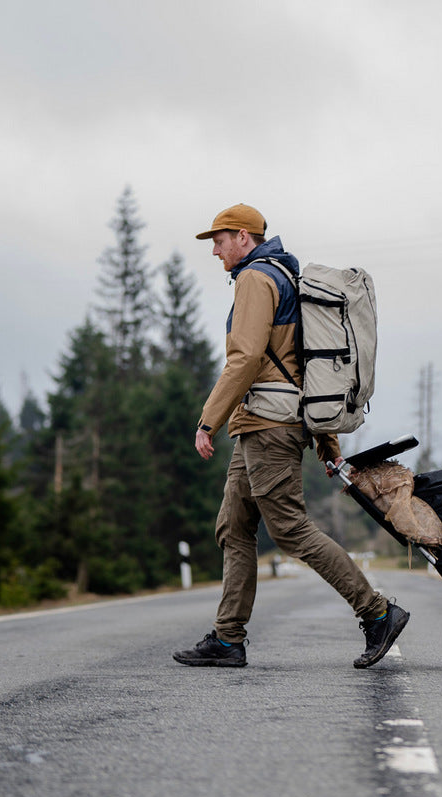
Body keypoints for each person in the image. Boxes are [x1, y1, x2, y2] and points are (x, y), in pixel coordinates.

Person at [172, 203, 409, 670]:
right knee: (233, 527)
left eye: (219, 240)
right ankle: (227, 639)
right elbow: (305, 366)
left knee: (291, 530)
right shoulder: (284, 276)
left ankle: (377, 611)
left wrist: (207, 421)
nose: (215, 250)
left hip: (268, 425)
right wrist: (326, 441)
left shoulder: (256, 279)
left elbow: (244, 358)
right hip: (263, 424)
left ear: (244, 237)